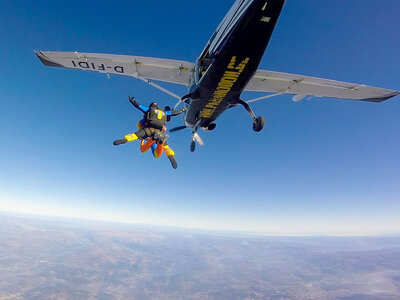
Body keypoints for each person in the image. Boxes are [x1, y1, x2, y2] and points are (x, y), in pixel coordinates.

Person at [113, 96, 186, 169]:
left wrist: (132, 100)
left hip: (148, 132)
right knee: (161, 152)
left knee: (141, 148)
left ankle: (125, 140)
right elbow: (174, 112)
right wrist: (182, 110)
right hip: (159, 132)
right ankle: (165, 149)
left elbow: (139, 106)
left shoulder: (149, 110)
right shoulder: (164, 112)